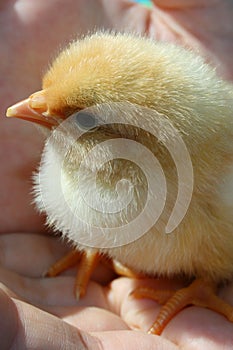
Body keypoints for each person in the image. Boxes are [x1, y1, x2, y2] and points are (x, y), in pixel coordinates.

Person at [0, 1, 233, 348]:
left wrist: (206, 282)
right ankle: (95, 248)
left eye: (83, 119)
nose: (31, 103)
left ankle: (202, 286)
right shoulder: (73, 157)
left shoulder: (214, 176)